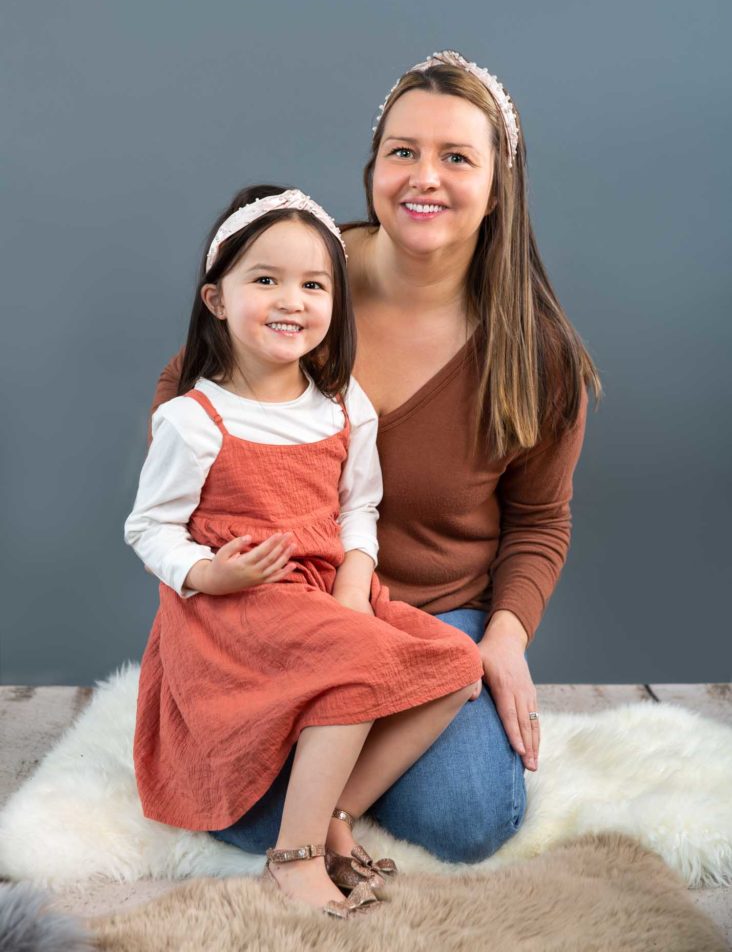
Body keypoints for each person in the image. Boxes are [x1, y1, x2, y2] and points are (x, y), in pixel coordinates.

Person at [152, 51, 601, 866]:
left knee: (467, 818)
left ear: (501, 182)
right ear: (372, 168)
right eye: (402, 151)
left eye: (456, 157)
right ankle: (335, 756)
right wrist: (222, 560)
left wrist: (503, 638)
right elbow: (189, 390)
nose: (422, 177)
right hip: (283, 603)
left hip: (434, 609)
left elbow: (540, 519)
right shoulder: (304, 276)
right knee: (242, 815)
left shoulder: (538, 354)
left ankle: (344, 784)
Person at [125, 184, 485, 918]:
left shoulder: (343, 404)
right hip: (239, 607)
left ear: (334, 303)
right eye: (266, 280)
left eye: (313, 284)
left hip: (328, 591)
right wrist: (207, 572)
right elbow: (148, 527)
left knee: (456, 666)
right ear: (217, 299)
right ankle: (291, 862)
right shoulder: (195, 420)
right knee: (352, 669)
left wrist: (356, 578)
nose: (291, 300)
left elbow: (361, 506)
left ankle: (333, 818)